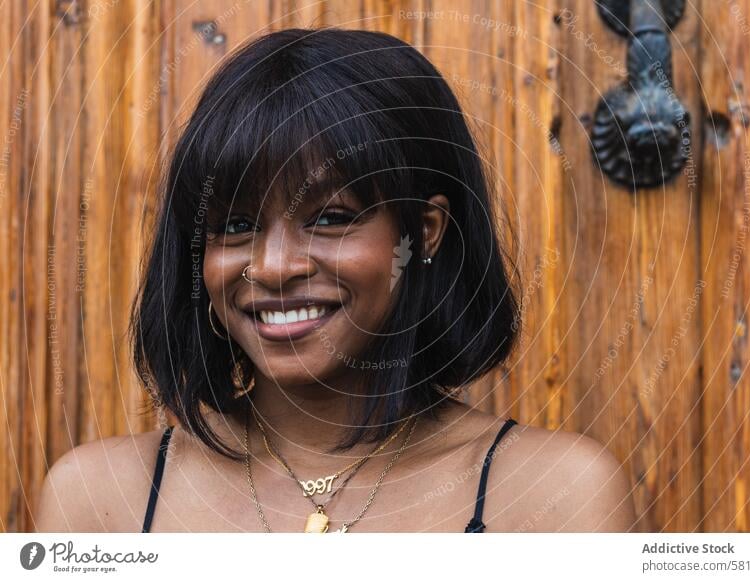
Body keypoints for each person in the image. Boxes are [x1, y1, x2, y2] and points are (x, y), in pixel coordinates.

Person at [35, 28, 636, 533]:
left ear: (423, 231)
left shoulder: (555, 499)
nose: (273, 267)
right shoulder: (99, 503)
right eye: (237, 225)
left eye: (330, 219)